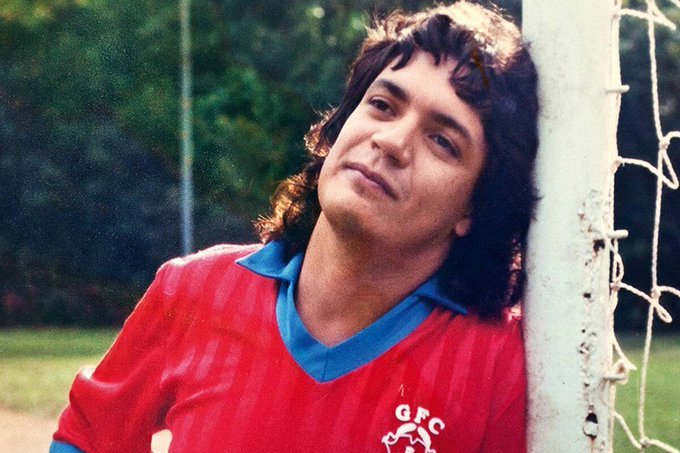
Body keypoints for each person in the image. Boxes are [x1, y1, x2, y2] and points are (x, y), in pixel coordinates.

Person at [51, 1, 538, 451]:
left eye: (442, 141)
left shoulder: (502, 366)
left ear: (474, 208)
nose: (391, 141)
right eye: (383, 105)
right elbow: (88, 435)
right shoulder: (192, 291)